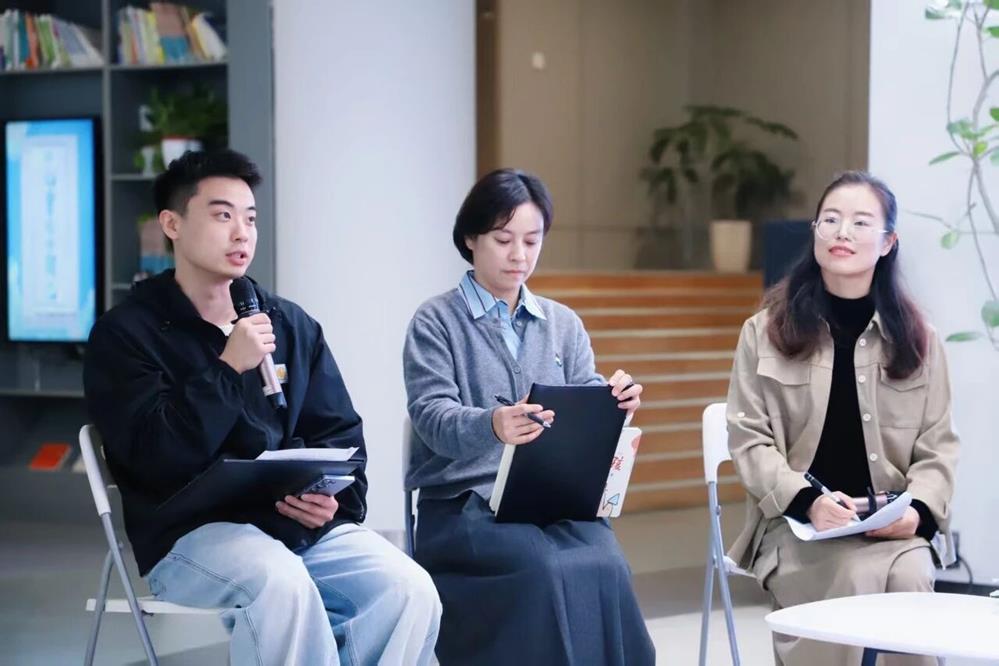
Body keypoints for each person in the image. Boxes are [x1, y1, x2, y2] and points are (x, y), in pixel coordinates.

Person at [84, 149, 441, 666]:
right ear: (172, 224)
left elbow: (340, 434)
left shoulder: (288, 323)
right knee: (280, 582)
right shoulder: (126, 334)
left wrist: (334, 501)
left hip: (290, 526)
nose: (242, 233)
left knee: (407, 587)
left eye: (250, 219)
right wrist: (228, 369)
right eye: (222, 215)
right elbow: (153, 455)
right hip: (189, 537)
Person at [402, 168, 656, 665]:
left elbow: (585, 395)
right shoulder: (435, 321)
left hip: (551, 500)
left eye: (532, 241)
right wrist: (492, 424)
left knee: (607, 563)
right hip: (462, 505)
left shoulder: (563, 323)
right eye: (503, 240)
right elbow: (431, 417)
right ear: (471, 238)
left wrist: (614, 403)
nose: (519, 255)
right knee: (538, 568)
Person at [726, 170, 959, 665]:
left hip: (890, 526)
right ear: (814, 232)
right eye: (830, 220)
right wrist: (807, 501)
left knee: (912, 574)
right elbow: (749, 440)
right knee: (855, 577)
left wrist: (917, 512)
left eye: (860, 222)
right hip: (800, 528)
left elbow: (939, 446)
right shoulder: (764, 332)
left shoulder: (920, 339)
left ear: (888, 242)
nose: (842, 233)